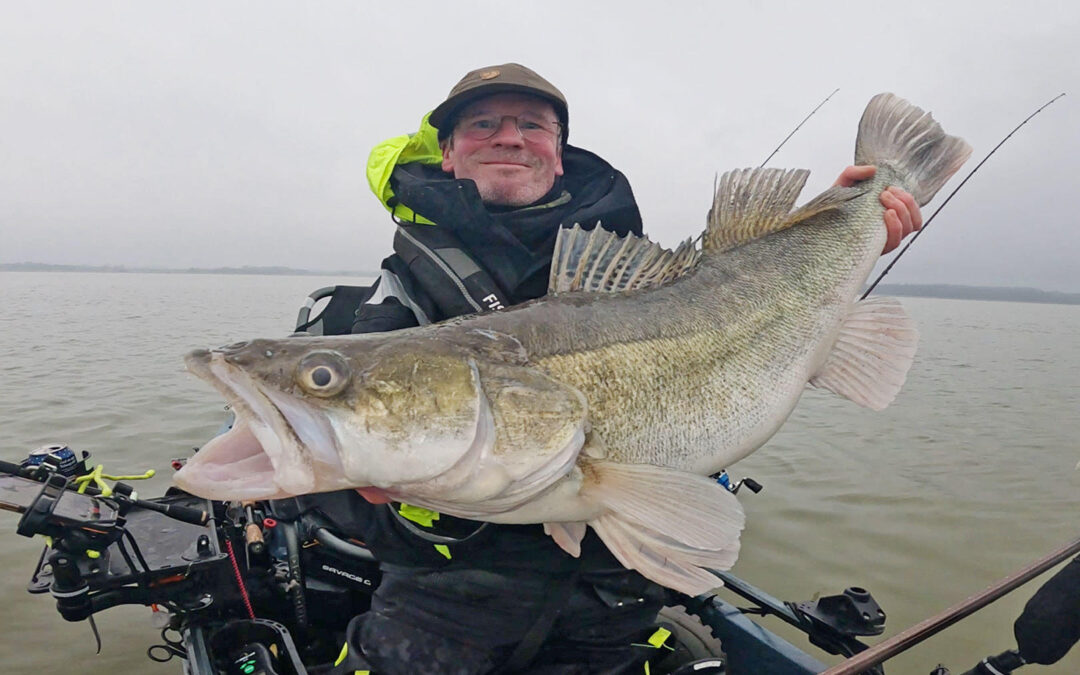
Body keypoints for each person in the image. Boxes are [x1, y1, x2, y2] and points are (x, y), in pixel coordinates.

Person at [324, 63, 923, 675]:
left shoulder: (624, 262)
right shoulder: (396, 294)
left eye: (532, 125)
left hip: (611, 614)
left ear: (558, 155)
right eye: (483, 124)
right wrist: (372, 487)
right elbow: (327, 461)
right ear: (448, 154)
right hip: (437, 614)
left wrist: (850, 209)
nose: (509, 137)